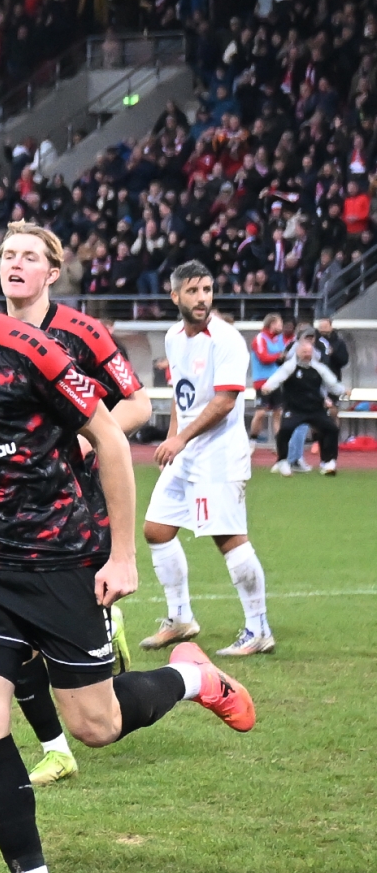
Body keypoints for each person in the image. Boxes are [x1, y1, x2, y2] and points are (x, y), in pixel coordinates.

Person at [0, 232, 254, 873]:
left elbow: (111, 438)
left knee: (96, 725)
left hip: (61, 559)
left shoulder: (30, 349)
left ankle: (191, 677)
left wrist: (123, 555)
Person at [0, 223, 154, 788]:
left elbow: (139, 405)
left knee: (80, 692)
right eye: (8, 254)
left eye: (29, 256)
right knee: (8, 642)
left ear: (53, 272)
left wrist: (87, 437)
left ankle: (109, 625)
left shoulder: (82, 332)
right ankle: (55, 750)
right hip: (6, 515)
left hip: (76, 513)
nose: (15, 263)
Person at [141, 262, 275, 657]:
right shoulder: (173, 337)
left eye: (207, 290)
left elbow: (225, 401)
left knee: (229, 539)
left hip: (219, 456)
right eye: (193, 291)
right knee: (156, 530)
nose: (202, 298)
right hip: (187, 453)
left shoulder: (226, 339)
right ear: (175, 296)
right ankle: (180, 618)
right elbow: (181, 393)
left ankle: (259, 629)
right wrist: (173, 438)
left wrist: (180, 439)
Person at [264, 331, 343, 477]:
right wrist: (268, 387)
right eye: (304, 352)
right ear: (298, 352)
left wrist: (342, 390)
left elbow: (332, 382)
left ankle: (328, 462)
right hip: (294, 409)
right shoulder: (290, 367)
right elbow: (277, 377)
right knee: (284, 431)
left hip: (315, 409)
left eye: (309, 352)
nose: (307, 354)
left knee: (331, 429)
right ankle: (283, 461)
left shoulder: (319, 368)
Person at [246, 313, 288, 445]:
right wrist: (278, 356)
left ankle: (279, 444)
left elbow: (283, 356)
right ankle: (252, 439)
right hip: (262, 381)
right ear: (272, 324)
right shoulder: (260, 338)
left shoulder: (278, 339)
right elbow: (263, 357)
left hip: (276, 381)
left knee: (278, 412)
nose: (281, 327)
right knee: (260, 412)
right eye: (279, 324)